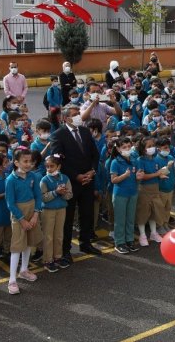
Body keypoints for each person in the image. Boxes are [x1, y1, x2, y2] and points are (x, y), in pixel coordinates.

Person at [49, 105, 102, 264]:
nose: (79, 116)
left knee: (87, 213)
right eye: (74, 114)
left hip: (88, 180)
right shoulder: (58, 135)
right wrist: (76, 176)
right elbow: (58, 161)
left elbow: (95, 154)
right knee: (68, 218)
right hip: (70, 182)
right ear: (65, 118)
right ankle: (65, 250)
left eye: (78, 113)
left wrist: (92, 171)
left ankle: (86, 243)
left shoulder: (85, 131)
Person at [5, 148, 43, 295]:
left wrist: (35, 215)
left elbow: (38, 197)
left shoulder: (33, 176)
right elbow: (10, 203)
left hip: (32, 211)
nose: (28, 164)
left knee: (28, 242)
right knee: (17, 246)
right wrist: (22, 220)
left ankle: (24, 270)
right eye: (25, 161)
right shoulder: (10, 180)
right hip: (18, 215)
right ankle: (12, 280)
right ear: (16, 162)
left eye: (30, 161)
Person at [39, 154, 73, 273]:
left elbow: (69, 195)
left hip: (61, 210)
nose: (49, 169)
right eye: (47, 166)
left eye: (51, 166)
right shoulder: (44, 179)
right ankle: (48, 260)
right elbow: (42, 197)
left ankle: (58, 257)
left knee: (59, 234)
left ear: (58, 166)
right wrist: (55, 192)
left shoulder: (65, 178)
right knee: (48, 235)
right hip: (48, 210)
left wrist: (63, 193)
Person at [110, 137, 140, 254]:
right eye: (124, 147)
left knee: (130, 219)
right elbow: (114, 180)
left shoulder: (134, 159)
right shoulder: (115, 162)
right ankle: (119, 242)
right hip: (120, 195)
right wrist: (125, 175)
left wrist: (138, 175)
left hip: (133, 193)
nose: (127, 149)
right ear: (118, 149)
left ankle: (129, 240)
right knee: (120, 220)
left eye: (128, 146)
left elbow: (137, 174)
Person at [134, 136, 164, 246]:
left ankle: (153, 232)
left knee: (154, 211)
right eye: (149, 146)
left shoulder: (155, 159)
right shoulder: (140, 160)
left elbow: (157, 173)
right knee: (143, 212)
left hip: (155, 187)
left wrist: (161, 174)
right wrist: (157, 174)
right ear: (143, 148)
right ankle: (142, 235)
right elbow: (142, 176)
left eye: (153, 146)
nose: (152, 148)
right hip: (144, 189)